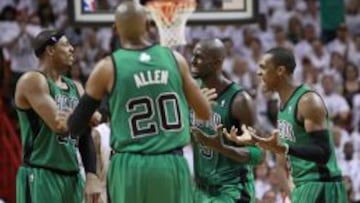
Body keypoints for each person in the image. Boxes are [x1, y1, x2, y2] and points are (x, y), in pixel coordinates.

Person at [65, 2, 214, 203]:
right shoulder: (175, 59)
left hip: (130, 166)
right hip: (172, 163)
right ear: (147, 24)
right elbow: (204, 113)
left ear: (115, 29)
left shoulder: (107, 68)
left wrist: (73, 118)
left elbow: (75, 126)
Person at [227, 47, 348, 203]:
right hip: (302, 188)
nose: (258, 73)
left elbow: (323, 152)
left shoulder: (307, 101)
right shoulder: (283, 106)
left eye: (263, 67)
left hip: (322, 186)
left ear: (280, 70)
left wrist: (285, 148)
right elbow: (281, 158)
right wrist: (256, 141)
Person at [15, 30, 99, 203]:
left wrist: (91, 174)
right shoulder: (33, 80)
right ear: (50, 50)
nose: (72, 49)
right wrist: (84, 115)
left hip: (73, 176)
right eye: (66, 44)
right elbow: (60, 125)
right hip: (41, 174)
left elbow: (88, 129)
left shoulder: (76, 86)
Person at [190, 38, 263, 203]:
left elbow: (260, 155)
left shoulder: (240, 101)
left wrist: (221, 147)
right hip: (201, 189)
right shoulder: (193, 93)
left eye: (199, 57)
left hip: (232, 191)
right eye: (193, 55)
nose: (192, 61)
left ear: (216, 63)